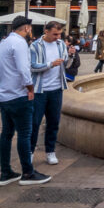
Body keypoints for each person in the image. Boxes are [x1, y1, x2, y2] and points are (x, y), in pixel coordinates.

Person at [0, 15, 51, 187]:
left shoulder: (4, 43)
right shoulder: (19, 43)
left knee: (7, 134)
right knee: (25, 134)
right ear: (26, 28)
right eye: (30, 28)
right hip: (18, 95)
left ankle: (6, 172)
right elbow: (24, 70)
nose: (30, 31)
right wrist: (30, 88)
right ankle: (28, 173)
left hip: (3, 95)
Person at [29, 20, 69, 167]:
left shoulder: (61, 44)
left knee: (53, 122)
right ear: (46, 31)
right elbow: (32, 67)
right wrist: (50, 64)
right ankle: (30, 152)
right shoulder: (35, 46)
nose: (58, 37)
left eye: (59, 34)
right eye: (55, 34)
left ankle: (50, 152)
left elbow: (65, 65)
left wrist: (70, 57)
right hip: (40, 90)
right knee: (34, 123)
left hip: (56, 89)